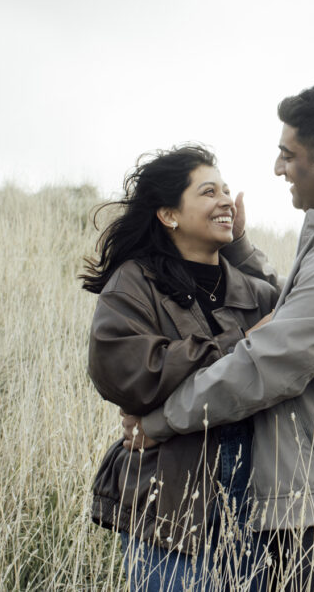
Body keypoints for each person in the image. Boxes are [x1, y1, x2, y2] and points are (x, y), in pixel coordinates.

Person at [124, 82, 314, 591]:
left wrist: (162, 421)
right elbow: (302, 304)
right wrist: (240, 251)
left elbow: (268, 362)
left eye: (288, 155)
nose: (277, 168)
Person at [80, 145, 279, 591]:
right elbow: (123, 370)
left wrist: (243, 250)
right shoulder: (136, 282)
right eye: (209, 192)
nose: (226, 201)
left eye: (226, 190)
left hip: (258, 507)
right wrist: (240, 345)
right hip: (171, 506)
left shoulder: (255, 291)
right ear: (169, 215)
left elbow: (305, 319)